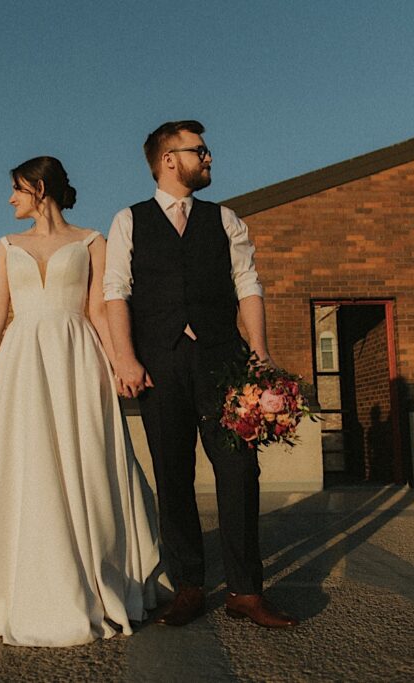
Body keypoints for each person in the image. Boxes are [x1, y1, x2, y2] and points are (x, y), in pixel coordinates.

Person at [0, 156, 166, 647]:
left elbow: (99, 310)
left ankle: (95, 575)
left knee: (81, 459)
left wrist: (120, 364)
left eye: (16, 190)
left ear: (39, 189)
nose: (10, 200)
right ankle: (16, 583)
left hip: (77, 358)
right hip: (21, 362)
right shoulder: (6, 245)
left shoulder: (91, 241)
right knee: (24, 461)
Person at [104, 120, 297, 629]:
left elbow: (248, 284)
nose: (209, 158)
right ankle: (188, 586)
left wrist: (259, 352)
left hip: (225, 362)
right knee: (173, 477)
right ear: (170, 159)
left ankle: (245, 592)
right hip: (159, 365)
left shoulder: (226, 218)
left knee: (239, 474)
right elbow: (115, 292)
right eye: (200, 150)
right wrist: (125, 358)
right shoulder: (130, 219)